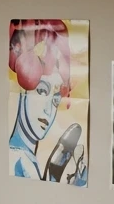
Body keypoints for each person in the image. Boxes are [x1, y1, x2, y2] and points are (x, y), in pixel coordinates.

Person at [8, 20, 71, 180]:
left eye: (56, 100)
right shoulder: (20, 160)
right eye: (42, 91)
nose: (48, 111)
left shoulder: (25, 157)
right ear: (21, 90)